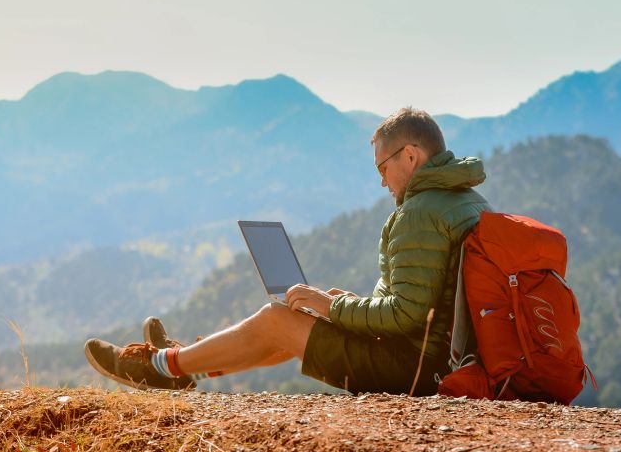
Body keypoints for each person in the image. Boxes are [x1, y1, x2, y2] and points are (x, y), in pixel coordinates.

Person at [84, 107, 491, 395]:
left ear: (410, 155)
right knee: (295, 317)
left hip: (416, 369)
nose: (382, 181)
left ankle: (158, 368)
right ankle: (184, 362)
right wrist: (345, 305)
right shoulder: (466, 200)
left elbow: (406, 315)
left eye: (381, 167)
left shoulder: (420, 212)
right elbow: (421, 305)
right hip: (440, 360)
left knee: (277, 321)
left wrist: (333, 309)